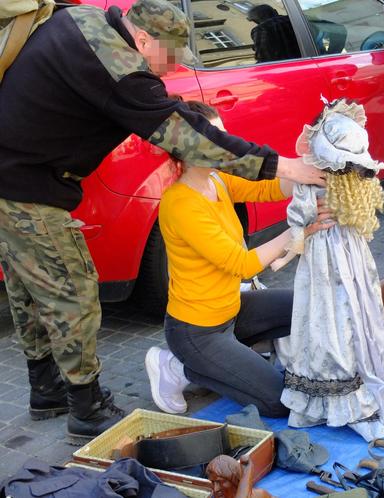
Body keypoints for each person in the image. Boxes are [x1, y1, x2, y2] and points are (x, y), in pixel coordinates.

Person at [0, 0, 324, 442]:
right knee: (72, 296)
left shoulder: (83, 21)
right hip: (26, 187)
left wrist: (284, 176)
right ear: (143, 39)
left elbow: (171, 110)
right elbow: (181, 130)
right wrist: (283, 167)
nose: (170, 71)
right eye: (168, 59)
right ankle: (87, 410)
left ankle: (46, 391)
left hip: (15, 177)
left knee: (29, 293)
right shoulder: (118, 66)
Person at [145, 100, 334, 417]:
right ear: (188, 147)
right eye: (215, 138)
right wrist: (300, 228)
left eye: (225, 136)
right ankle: (179, 368)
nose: (226, 145)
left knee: (313, 303)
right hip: (196, 333)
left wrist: (309, 169)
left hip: (231, 311)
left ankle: (228, 361)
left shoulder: (217, 178)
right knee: (279, 402)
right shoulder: (181, 203)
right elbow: (241, 264)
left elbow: (271, 188)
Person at [273, 99, 384, 442]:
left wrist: (296, 242)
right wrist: (296, 241)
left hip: (330, 260)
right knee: (341, 318)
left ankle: (346, 392)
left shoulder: (310, 185)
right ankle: (349, 394)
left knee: (333, 320)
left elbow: (297, 227)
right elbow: (300, 228)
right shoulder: (351, 185)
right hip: (339, 260)